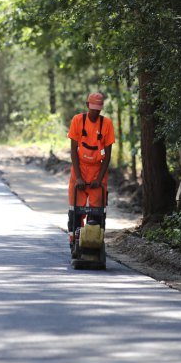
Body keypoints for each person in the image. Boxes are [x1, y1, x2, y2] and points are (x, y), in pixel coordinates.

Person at [67, 92, 115, 251]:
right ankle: (74, 239)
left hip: (97, 170)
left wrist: (99, 179)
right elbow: (73, 151)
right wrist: (79, 178)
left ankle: (94, 241)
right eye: (93, 109)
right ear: (87, 105)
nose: (95, 112)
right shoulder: (77, 121)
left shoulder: (107, 124)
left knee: (97, 211)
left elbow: (107, 156)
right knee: (76, 210)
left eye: (98, 109)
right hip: (79, 169)